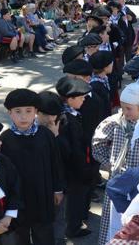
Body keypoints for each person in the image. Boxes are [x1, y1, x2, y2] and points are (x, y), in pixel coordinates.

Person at [92, 81, 139, 244]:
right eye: (123, 107)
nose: (125, 112)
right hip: (118, 177)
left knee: (136, 217)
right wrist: (108, 162)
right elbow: (97, 142)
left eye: (129, 108)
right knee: (113, 216)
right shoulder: (115, 122)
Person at [0, 89, 64, 245]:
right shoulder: (5, 139)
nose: (23, 116)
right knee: (20, 235)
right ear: (10, 113)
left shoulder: (45, 135)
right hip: (18, 197)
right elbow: (3, 173)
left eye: (28, 111)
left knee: (44, 233)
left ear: (36, 111)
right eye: (18, 111)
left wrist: (58, 189)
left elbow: (55, 163)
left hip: (43, 193)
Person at [55, 76, 95, 238]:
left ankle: (73, 225)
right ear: (70, 99)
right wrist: (83, 169)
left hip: (74, 167)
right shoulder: (66, 120)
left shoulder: (69, 113)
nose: (84, 100)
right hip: (74, 169)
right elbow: (72, 148)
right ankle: (73, 228)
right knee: (74, 200)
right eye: (81, 97)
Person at [37, 91, 66, 245]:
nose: (50, 119)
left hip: (57, 185)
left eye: (53, 115)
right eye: (45, 114)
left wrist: (56, 138)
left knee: (58, 218)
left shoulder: (62, 126)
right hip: (38, 187)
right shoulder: (32, 129)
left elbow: (65, 158)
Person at [89, 51, 114, 119]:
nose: (112, 64)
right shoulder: (96, 86)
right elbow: (100, 110)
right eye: (111, 63)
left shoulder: (104, 78)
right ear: (105, 67)